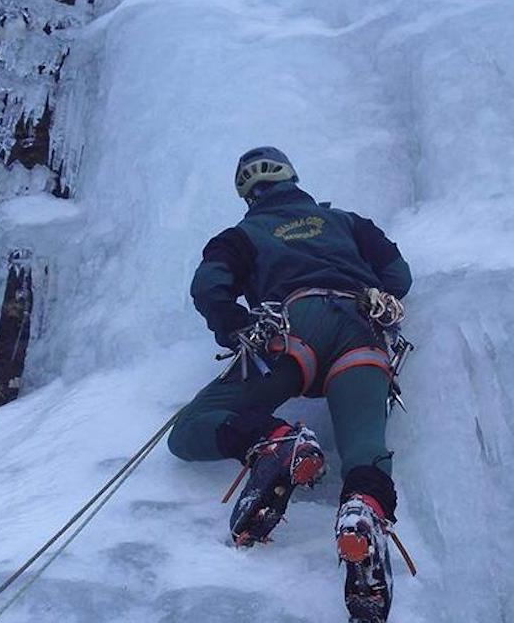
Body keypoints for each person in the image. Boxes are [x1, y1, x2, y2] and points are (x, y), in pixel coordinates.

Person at [167, 146, 412, 623]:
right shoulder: (345, 222)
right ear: (293, 180)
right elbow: (398, 274)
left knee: (191, 428)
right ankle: (362, 510)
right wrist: (378, 294)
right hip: (362, 328)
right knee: (364, 445)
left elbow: (209, 285)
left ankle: (275, 442)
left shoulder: (240, 236)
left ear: (248, 194)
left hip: (293, 331)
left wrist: (235, 323)